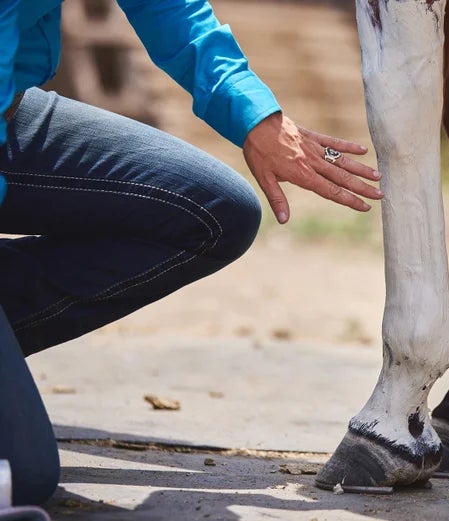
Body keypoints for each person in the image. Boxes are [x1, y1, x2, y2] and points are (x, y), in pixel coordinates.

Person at [0, 0, 383, 512]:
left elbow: (167, 7)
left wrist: (254, 115)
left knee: (216, 210)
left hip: (10, 109)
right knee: (22, 477)